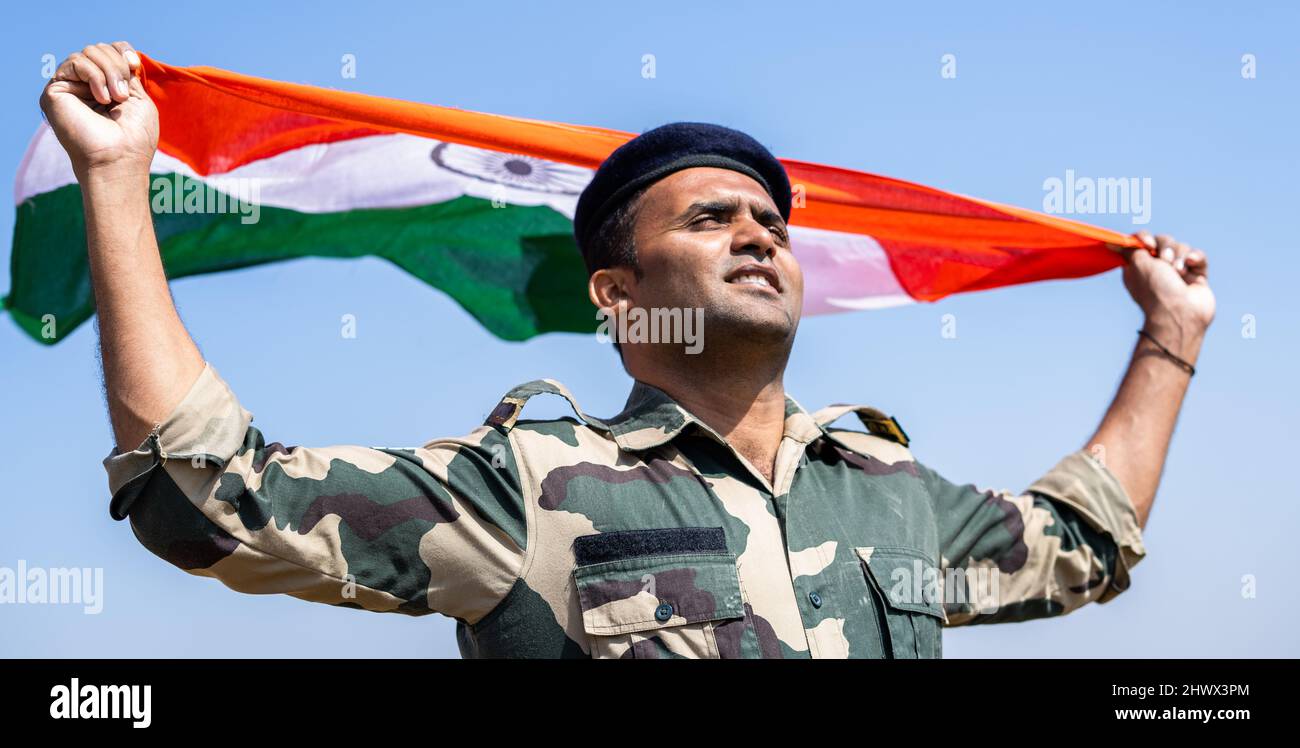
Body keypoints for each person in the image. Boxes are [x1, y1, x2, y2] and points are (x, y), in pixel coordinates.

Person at [40, 41, 1215, 658]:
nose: (757, 234)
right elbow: (209, 498)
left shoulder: (893, 497)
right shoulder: (530, 486)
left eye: (770, 222)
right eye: (709, 218)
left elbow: (1081, 544)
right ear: (618, 291)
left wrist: (1168, 337)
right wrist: (116, 181)